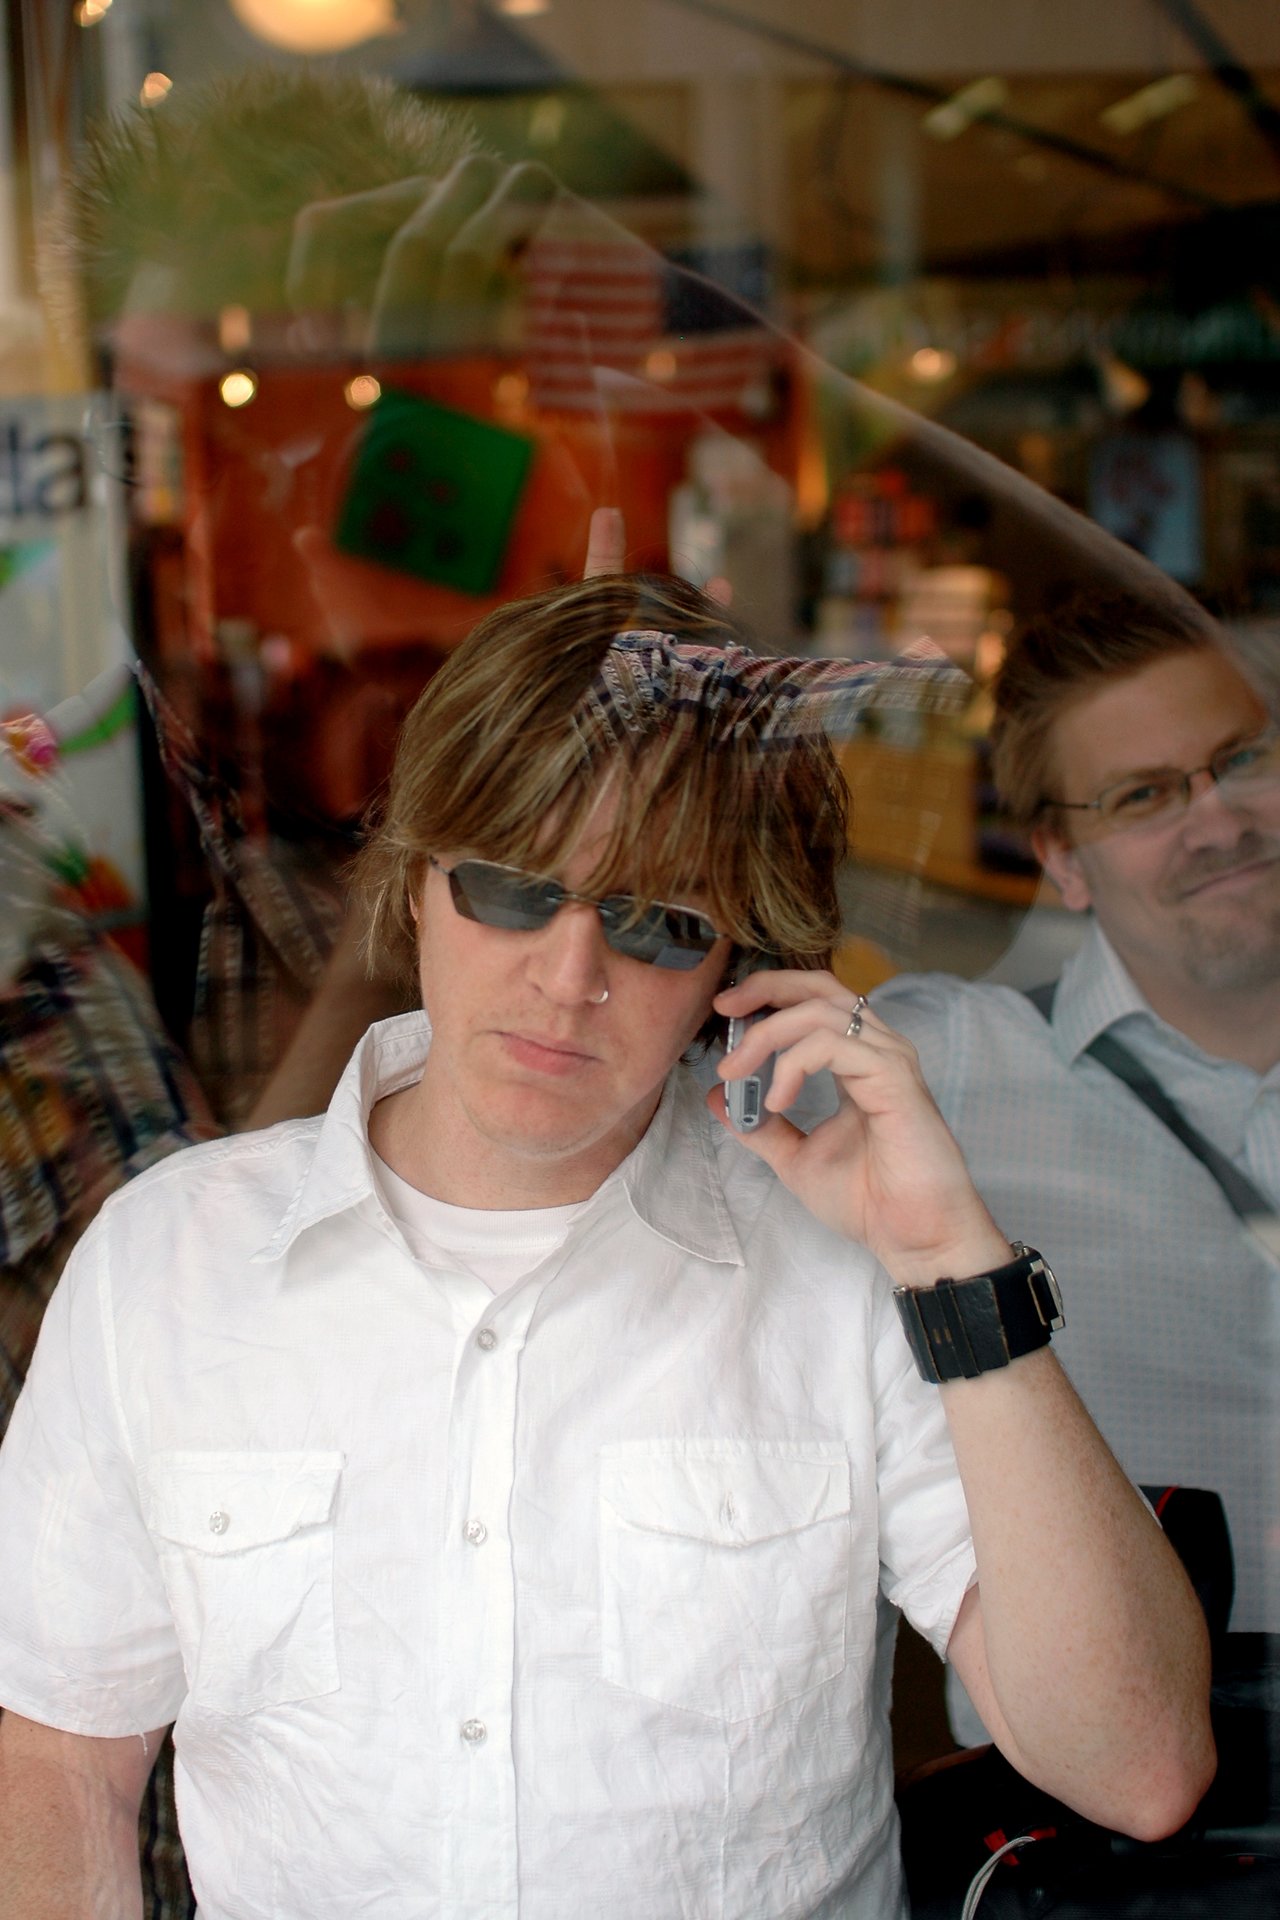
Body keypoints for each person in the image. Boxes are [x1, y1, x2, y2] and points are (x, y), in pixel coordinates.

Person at [0, 573, 1213, 1918]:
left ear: (736, 969)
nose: (569, 976)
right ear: (414, 883)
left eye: (659, 922)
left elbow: (1137, 1766)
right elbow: (62, 1759)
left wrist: (953, 1264)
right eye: (514, 888)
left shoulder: (846, 1274)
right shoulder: (168, 1264)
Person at [873, 589, 1280, 1697]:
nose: (1216, 823)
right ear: (1061, 857)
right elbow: (630, 1079)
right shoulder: (947, 1069)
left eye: (1241, 761)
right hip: (1127, 1763)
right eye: (1143, 796)